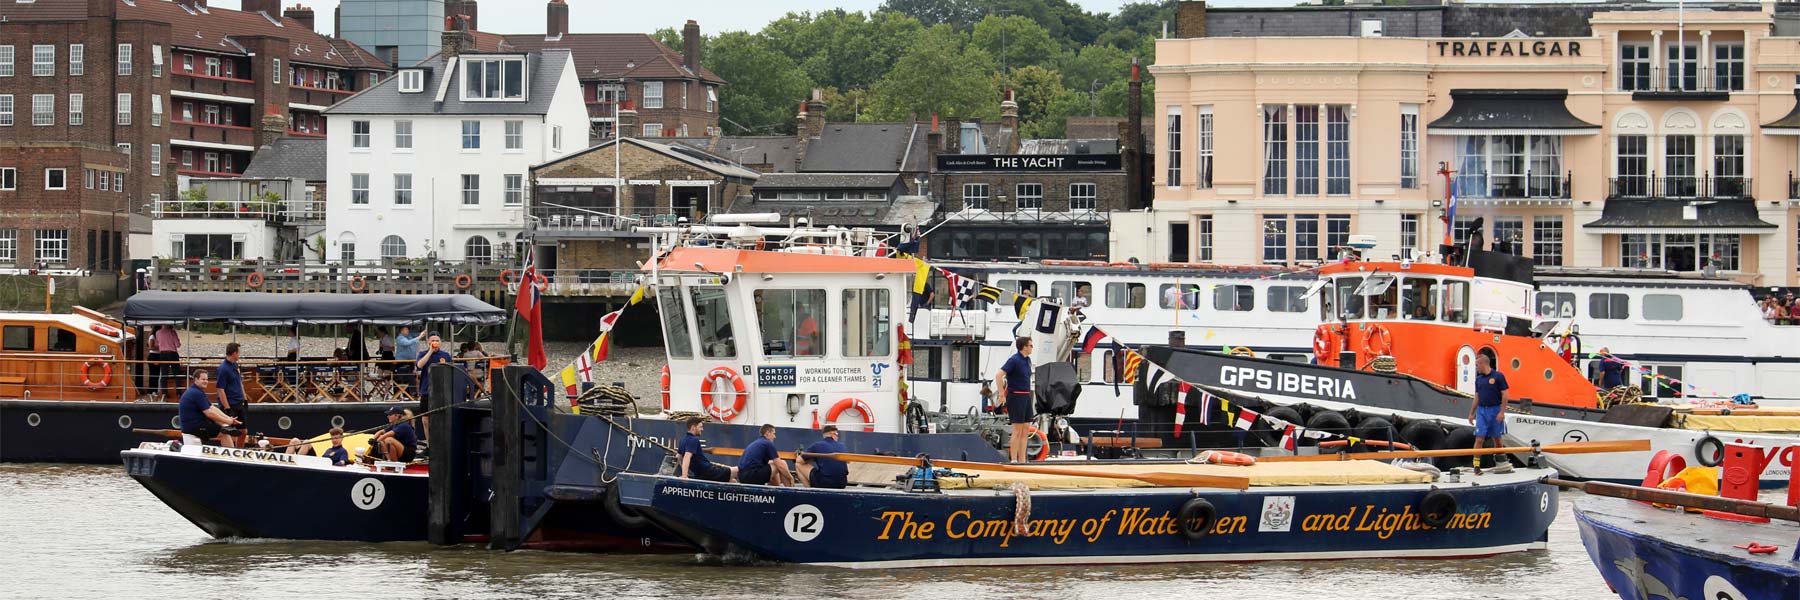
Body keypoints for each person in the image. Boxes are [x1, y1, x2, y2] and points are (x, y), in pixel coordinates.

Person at [994, 337, 1035, 463]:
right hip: (1016, 395)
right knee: (1017, 429)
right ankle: (1014, 459)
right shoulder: (1014, 360)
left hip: (1026, 395)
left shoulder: (1027, 360)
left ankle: (1022, 460)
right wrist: (1001, 394)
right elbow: (999, 375)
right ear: (1024, 347)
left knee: (1026, 427)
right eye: (1031, 345)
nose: (1032, 347)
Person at [1466, 354, 1508, 474]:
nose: (1476, 367)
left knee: (1497, 439)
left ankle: (1501, 463)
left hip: (1495, 410)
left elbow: (1505, 394)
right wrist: (1471, 413)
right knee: (1479, 439)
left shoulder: (1498, 376)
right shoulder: (1479, 380)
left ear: (1484, 364)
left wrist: (1502, 412)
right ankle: (1476, 466)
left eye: (1477, 365)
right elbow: (1477, 397)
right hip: (1482, 411)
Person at [178, 369, 240, 447]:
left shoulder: (196, 391)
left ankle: (230, 451)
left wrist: (229, 419)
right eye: (203, 379)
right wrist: (228, 421)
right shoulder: (196, 393)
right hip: (193, 427)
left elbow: (212, 408)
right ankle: (231, 456)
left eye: (207, 379)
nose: (206, 381)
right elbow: (209, 413)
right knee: (225, 431)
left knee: (222, 425)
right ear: (196, 380)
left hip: (192, 425)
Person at [414, 333, 453, 436]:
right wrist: (430, 351)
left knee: (442, 417)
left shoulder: (445, 355)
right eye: (433, 340)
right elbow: (419, 365)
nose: (435, 342)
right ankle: (428, 444)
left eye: (437, 340)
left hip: (442, 390)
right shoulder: (423, 354)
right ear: (428, 342)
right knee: (425, 419)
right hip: (427, 390)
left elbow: (452, 370)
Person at [677, 416, 735, 482]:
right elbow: (687, 456)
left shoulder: (682, 440)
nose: (702, 429)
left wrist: (684, 471)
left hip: (699, 474)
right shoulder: (693, 440)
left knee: (732, 480)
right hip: (707, 471)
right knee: (736, 470)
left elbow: (678, 457)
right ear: (693, 427)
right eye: (700, 427)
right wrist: (684, 476)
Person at [216, 343, 247, 426]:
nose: (239, 354)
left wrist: (245, 398)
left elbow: (239, 382)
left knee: (243, 431)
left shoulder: (235, 365)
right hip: (230, 403)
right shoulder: (223, 369)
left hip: (239, 402)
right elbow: (220, 389)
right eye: (239, 352)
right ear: (234, 353)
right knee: (232, 432)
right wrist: (227, 408)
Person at [152, 325, 182, 400]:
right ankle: (179, 393)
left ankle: (164, 393)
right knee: (177, 374)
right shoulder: (172, 332)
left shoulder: (158, 333)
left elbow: (157, 343)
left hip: (163, 354)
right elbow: (178, 345)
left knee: (164, 374)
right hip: (172, 353)